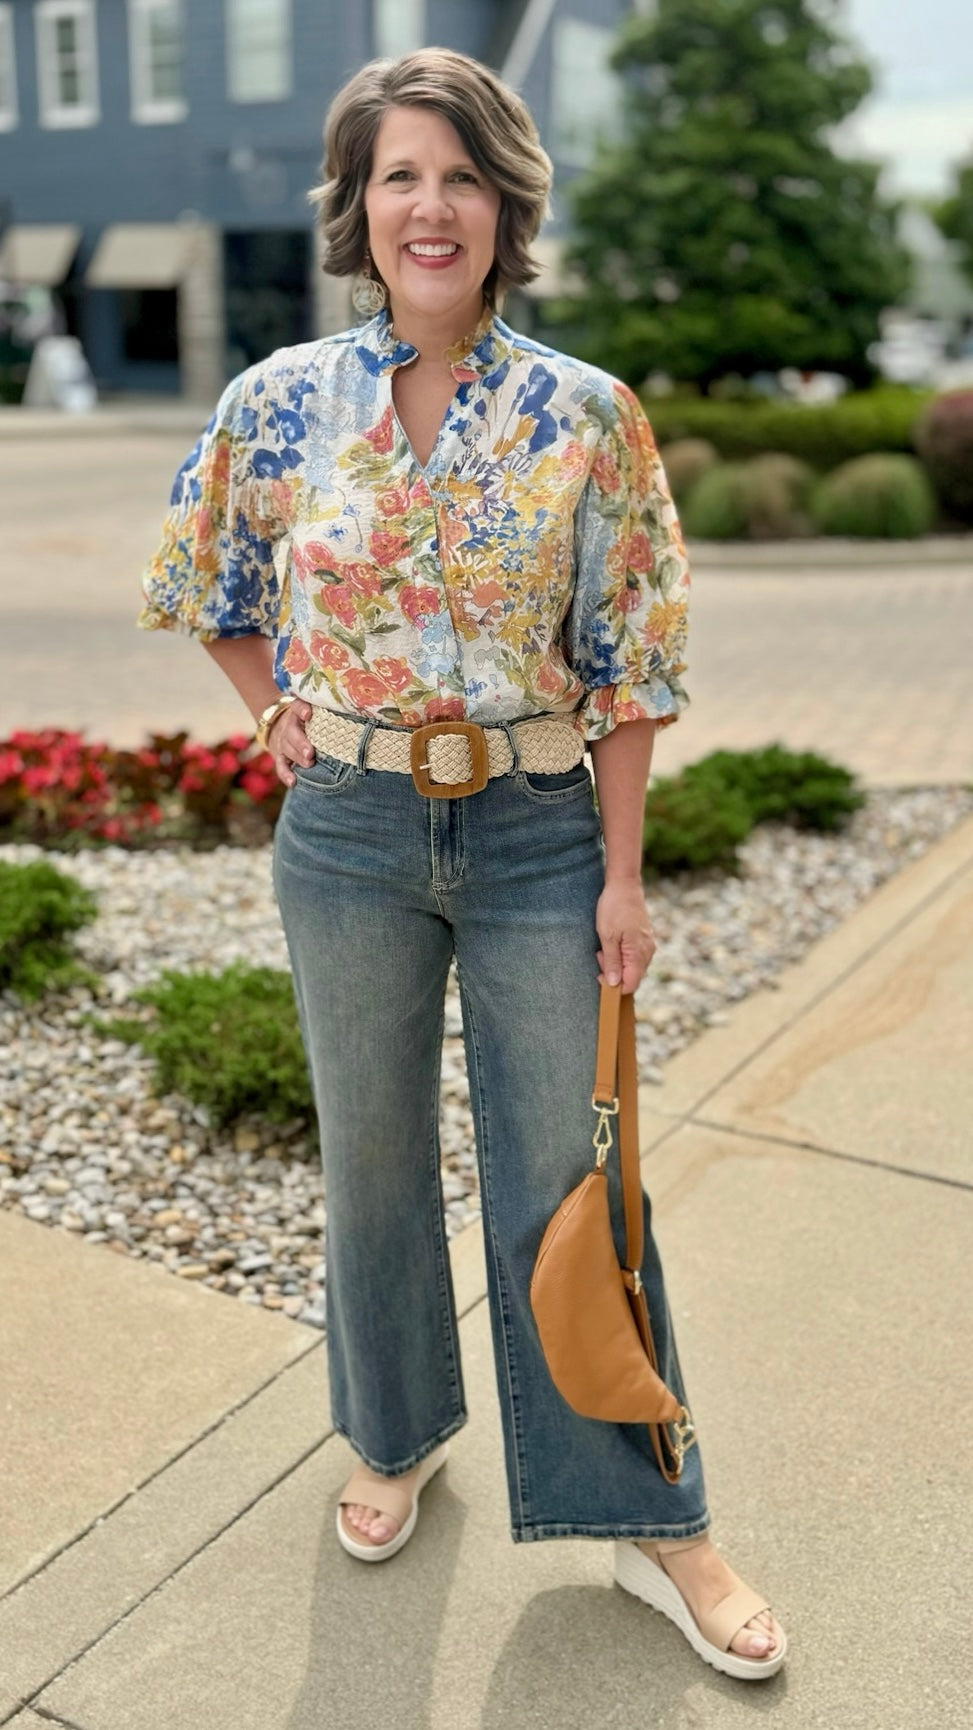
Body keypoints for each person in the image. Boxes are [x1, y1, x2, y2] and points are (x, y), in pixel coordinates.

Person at [140, 48, 786, 1682]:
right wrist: (272, 709)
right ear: (362, 208)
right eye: (398, 176)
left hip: (535, 835)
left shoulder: (586, 414)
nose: (430, 206)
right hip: (346, 832)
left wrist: (622, 878)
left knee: (574, 1180)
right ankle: (395, 1427)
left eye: (461, 176)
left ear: (506, 205)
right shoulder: (278, 399)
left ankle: (651, 1512)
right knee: (366, 1159)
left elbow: (631, 662)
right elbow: (204, 573)